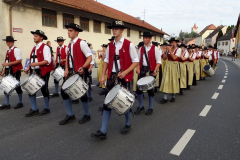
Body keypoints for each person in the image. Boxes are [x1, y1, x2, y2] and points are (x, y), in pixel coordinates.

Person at [91, 20, 139, 140]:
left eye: (117, 28)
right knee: (107, 102)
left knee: (124, 102)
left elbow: (135, 61)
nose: (114, 30)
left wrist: (125, 72)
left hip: (124, 77)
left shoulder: (129, 44)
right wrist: (103, 75)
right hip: (112, 77)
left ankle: (128, 123)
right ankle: (103, 131)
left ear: (122, 30)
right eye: (113, 28)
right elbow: (106, 61)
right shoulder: (111, 45)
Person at [58, 23, 92, 125]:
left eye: (71, 31)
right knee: (64, 91)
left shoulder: (81, 43)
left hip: (80, 71)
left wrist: (84, 67)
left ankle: (87, 114)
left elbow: (89, 57)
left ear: (76, 32)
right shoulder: (69, 44)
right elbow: (68, 59)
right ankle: (70, 115)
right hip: (71, 71)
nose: (68, 32)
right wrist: (66, 69)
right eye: (68, 30)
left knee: (81, 93)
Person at [24, 30, 54, 117]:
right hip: (34, 71)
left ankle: (47, 108)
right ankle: (34, 109)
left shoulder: (45, 47)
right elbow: (33, 60)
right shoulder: (34, 47)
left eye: (36, 36)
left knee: (44, 90)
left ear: (41, 38)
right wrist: (28, 67)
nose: (34, 37)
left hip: (43, 71)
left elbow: (48, 61)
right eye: (34, 36)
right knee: (31, 89)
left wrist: (36, 64)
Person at [134, 32, 161, 115]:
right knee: (139, 89)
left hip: (151, 71)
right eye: (144, 38)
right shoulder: (141, 48)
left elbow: (158, 62)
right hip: (142, 70)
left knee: (150, 90)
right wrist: (138, 68)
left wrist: (155, 70)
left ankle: (150, 107)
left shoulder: (155, 49)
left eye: (146, 38)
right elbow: (137, 61)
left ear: (150, 39)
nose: (144, 39)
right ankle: (141, 106)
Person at [1, 36, 23, 109]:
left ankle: (20, 102)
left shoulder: (16, 50)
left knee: (17, 86)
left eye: (10, 41)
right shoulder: (8, 50)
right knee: (6, 86)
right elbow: (6, 61)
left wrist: (7, 64)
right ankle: (7, 103)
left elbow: (19, 60)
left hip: (15, 70)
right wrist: (4, 70)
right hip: (8, 70)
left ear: (13, 42)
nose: (8, 43)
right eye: (7, 41)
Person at [160, 37, 181, 103]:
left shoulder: (179, 49)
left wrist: (169, 51)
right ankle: (165, 98)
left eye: (174, 42)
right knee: (166, 80)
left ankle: (173, 96)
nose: (173, 43)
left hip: (174, 65)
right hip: (168, 65)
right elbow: (164, 58)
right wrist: (164, 52)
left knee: (173, 80)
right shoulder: (169, 49)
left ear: (176, 43)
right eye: (171, 42)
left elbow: (174, 58)